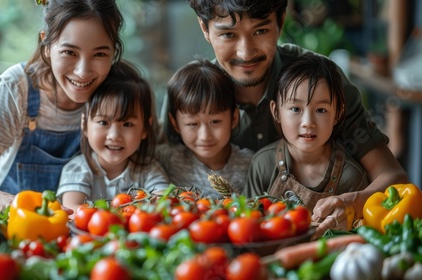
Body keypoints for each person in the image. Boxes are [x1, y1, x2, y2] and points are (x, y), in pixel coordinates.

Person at [165, 0, 408, 236]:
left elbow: (393, 178)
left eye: (260, 30)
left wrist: (353, 201)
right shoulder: (190, 96)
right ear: (204, 28)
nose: (246, 52)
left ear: (281, 20)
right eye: (228, 35)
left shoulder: (321, 82)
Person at [0, 0, 124, 213]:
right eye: (69, 52)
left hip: (89, 234)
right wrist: (14, 205)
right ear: (47, 43)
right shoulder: (17, 88)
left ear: (114, 50)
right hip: (18, 229)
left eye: (99, 54)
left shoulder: (123, 92)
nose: (83, 71)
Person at [244, 53, 369, 231]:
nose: (308, 122)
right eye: (295, 109)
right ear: (276, 111)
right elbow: (247, 226)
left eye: (321, 110)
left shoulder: (351, 177)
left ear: (338, 114)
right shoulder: (262, 164)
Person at [57, 60, 170, 212]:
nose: (114, 135)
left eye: (127, 124)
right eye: (103, 123)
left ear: (145, 128)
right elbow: (71, 210)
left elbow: (164, 204)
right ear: (85, 124)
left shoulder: (149, 170)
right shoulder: (77, 170)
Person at [156, 59, 254, 199]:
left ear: (234, 118)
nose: (205, 136)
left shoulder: (250, 165)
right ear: (175, 123)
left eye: (215, 121)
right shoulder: (163, 160)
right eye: (192, 124)